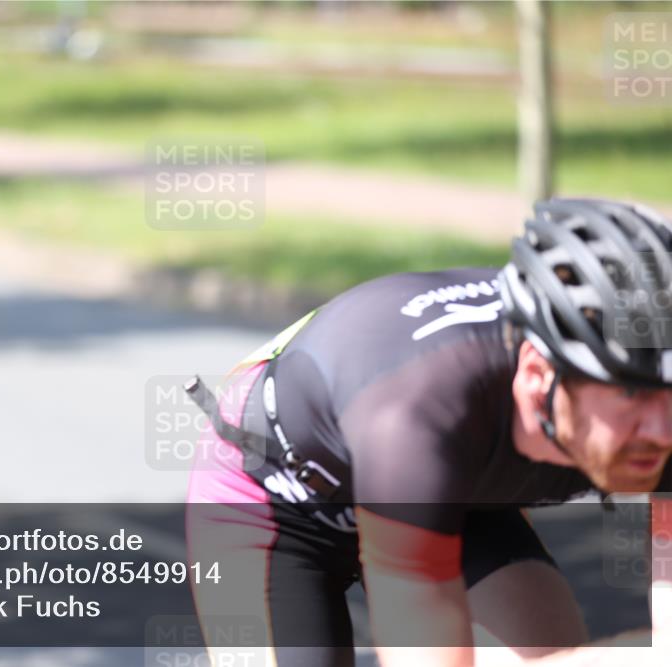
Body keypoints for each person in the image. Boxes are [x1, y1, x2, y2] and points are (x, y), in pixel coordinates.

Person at [184, 197, 672, 667]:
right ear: (538, 378)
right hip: (274, 498)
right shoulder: (418, 409)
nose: (661, 430)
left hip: (456, 494)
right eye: (629, 394)